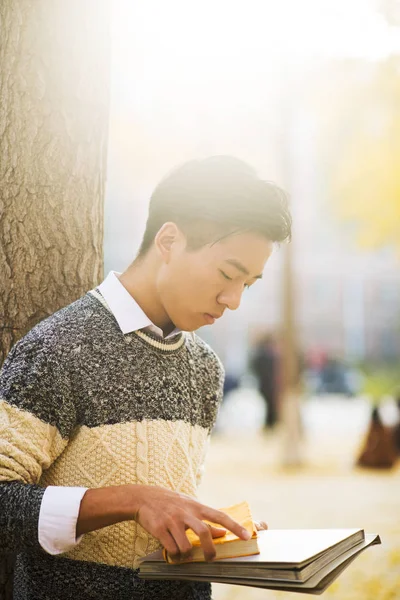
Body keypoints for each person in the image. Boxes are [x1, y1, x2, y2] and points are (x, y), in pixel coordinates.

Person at [0, 156, 292, 600]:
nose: (233, 299)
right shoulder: (58, 347)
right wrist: (133, 500)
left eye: (248, 284)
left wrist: (214, 533)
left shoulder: (204, 368)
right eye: (228, 274)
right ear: (169, 240)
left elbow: (157, 527)